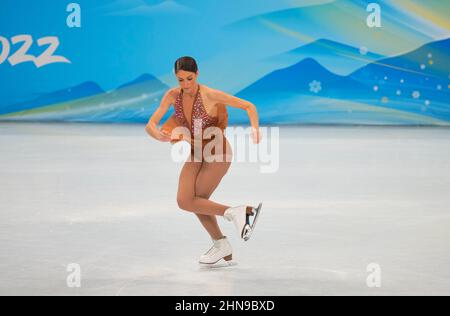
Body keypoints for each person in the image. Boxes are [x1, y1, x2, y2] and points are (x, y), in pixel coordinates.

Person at [145, 56, 263, 266]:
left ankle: (225, 235)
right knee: (185, 200)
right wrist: (159, 135)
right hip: (196, 152)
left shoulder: (209, 94)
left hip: (218, 152)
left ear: (197, 74)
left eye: (189, 79)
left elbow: (248, 106)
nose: (186, 85)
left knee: (197, 199)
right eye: (181, 80)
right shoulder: (173, 95)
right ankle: (233, 220)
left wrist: (255, 129)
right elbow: (150, 125)